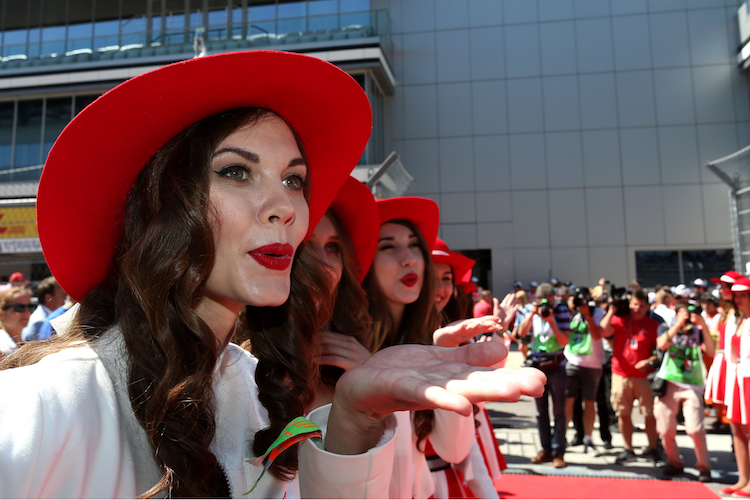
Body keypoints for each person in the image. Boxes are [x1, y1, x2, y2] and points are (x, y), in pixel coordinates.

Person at [0, 51, 545, 498]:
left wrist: (354, 418)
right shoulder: (37, 408)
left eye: (294, 180)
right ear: (162, 209)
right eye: (237, 171)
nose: (284, 207)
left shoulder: (253, 391)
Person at [600, 289, 662, 465]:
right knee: (623, 413)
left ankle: (653, 448)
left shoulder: (653, 325)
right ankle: (628, 449)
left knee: (649, 414)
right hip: (621, 374)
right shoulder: (620, 320)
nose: (637, 308)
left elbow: (661, 351)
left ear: (647, 307)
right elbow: (603, 331)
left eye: (641, 306)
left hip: (644, 377)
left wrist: (649, 361)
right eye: (634, 304)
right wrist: (611, 310)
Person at [653, 302, 714, 481]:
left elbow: (710, 351)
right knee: (664, 429)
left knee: (695, 428)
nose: (686, 318)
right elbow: (661, 344)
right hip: (669, 383)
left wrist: (702, 325)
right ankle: (674, 462)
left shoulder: (698, 332)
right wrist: (677, 324)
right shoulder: (666, 327)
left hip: (692, 385)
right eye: (682, 314)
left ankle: (704, 466)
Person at [516, 282, 570, 468]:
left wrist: (552, 321)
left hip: (556, 366)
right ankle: (545, 449)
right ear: (536, 300)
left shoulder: (561, 311)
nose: (547, 305)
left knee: (559, 412)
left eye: (550, 300)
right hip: (537, 367)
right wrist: (532, 314)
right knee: (541, 412)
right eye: (542, 301)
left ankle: (558, 451)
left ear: (555, 299)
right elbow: (520, 333)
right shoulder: (533, 312)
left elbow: (565, 341)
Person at [563, 288, 603, 455]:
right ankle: (561, 437)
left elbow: (597, 335)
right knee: (568, 401)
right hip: (572, 361)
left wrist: (588, 315)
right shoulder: (571, 313)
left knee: (589, 402)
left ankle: (588, 438)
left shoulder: (598, 313)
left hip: (592, 364)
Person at [721, 277, 750, 496]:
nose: (738, 299)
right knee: (737, 429)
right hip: (738, 377)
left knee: (748, 430)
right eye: (737, 295)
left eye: (743, 295)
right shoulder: (739, 319)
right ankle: (743, 478)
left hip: (748, 378)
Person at [20, 276, 66, 341]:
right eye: (62, 295)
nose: (65, 299)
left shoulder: (44, 316)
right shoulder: (39, 321)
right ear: (48, 298)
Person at [0, 287, 33, 357]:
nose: (27, 312)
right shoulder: (1, 347)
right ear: (1, 314)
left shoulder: (23, 343)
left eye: (30, 306)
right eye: (19, 307)